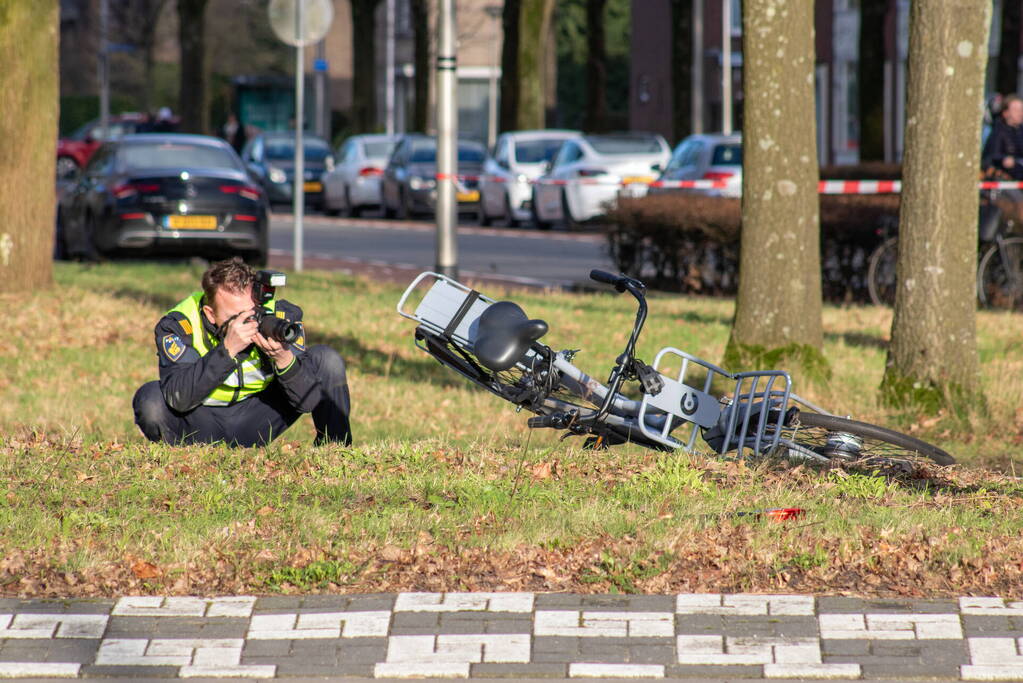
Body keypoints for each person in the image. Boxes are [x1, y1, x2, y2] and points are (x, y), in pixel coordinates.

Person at [132, 258, 352, 447]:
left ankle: (337, 451)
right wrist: (226, 351)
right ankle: (177, 460)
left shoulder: (280, 317)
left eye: (251, 312)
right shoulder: (180, 324)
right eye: (235, 316)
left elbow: (308, 401)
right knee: (151, 398)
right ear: (210, 314)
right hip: (199, 422)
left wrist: (284, 359)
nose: (246, 321)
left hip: (257, 418)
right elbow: (178, 398)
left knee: (327, 360)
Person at [982, 94, 1023, 180]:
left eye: (1021, 109)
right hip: (1004, 180)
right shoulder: (996, 131)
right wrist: (1004, 160)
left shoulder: (1021, 130)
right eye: (1016, 110)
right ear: (1005, 113)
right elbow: (991, 157)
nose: (1020, 113)